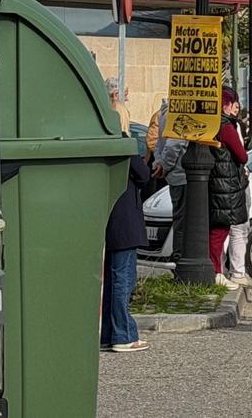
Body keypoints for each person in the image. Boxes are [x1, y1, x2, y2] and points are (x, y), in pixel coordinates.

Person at [101, 145, 150, 353]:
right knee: (123, 279)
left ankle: (107, 334)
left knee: (110, 281)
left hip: (107, 219)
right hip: (125, 221)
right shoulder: (124, 146)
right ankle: (123, 334)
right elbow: (143, 175)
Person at [209, 86, 249, 288]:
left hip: (215, 181)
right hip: (226, 184)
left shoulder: (208, 124)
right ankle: (216, 272)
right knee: (220, 230)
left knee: (218, 230)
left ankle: (218, 271)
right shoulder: (226, 127)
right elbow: (242, 155)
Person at [152, 101, 188, 262]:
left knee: (179, 218)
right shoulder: (178, 113)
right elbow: (175, 143)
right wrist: (164, 166)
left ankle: (179, 256)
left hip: (173, 174)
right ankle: (180, 257)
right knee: (183, 221)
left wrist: (159, 163)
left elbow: (159, 143)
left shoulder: (164, 113)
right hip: (182, 174)